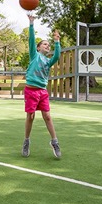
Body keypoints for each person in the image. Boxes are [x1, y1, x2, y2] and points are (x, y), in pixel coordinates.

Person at [21, 14, 61, 158]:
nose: (47, 46)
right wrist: (31, 24)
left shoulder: (48, 61)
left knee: (47, 117)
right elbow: (31, 40)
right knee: (30, 117)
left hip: (42, 91)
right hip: (31, 90)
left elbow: (57, 56)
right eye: (44, 44)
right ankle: (26, 141)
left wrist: (57, 42)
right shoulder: (34, 55)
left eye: (48, 45)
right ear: (38, 48)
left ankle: (54, 141)